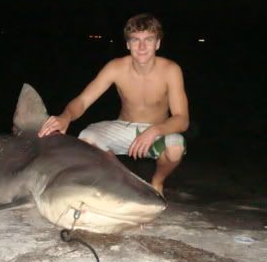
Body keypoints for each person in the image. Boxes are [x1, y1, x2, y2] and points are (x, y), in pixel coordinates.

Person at [38, 13, 189, 194]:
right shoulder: (116, 67)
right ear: (128, 44)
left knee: (175, 148)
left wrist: (155, 130)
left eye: (148, 40)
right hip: (124, 127)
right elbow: (83, 101)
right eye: (135, 40)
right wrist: (65, 117)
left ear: (157, 43)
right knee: (87, 137)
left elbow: (182, 119)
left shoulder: (171, 70)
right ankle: (121, 178)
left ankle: (157, 182)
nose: (141, 47)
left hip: (157, 130)